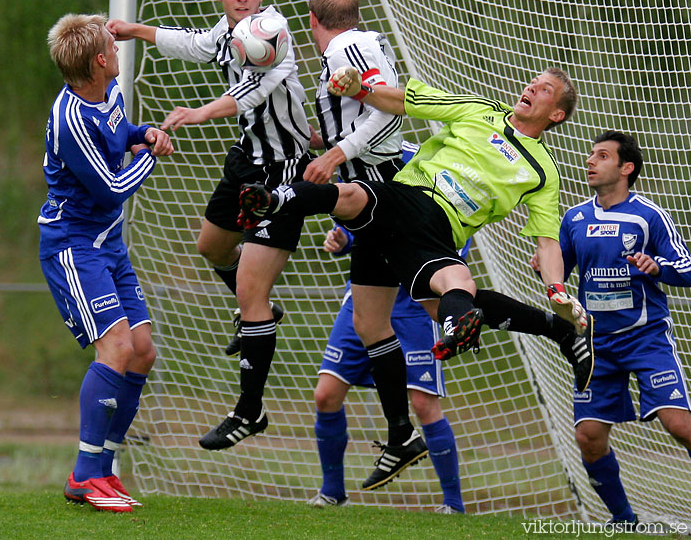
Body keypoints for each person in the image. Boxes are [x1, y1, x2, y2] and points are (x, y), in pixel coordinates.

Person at [237, 67, 595, 489]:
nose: (531, 89)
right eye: (532, 83)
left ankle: (543, 331)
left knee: (441, 289)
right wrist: (362, 90)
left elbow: (548, 241)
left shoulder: (543, 173)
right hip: (409, 195)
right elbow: (408, 100)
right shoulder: (480, 111)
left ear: (555, 114)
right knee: (371, 292)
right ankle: (275, 199)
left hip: (439, 225)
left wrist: (556, 289)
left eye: (545, 90)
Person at [107, 0, 313, 449]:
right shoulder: (226, 30)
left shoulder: (272, 35)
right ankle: (256, 306)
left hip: (284, 169)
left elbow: (249, 93)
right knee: (212, 247)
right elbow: (194, 43)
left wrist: (197, 112)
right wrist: (133, 29)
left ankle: (250, 410)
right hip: (247, 160)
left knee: (250, 292)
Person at [224, 0, 404, 357]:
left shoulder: (347, 48)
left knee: (432, 291)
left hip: (377, 178)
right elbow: (366, 111)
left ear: (311, 20)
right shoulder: (354, 45)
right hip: (370, 178)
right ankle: (400, 422)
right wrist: (323, 141)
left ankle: (271, 200)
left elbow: (389, 111)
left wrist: (334, 155)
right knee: (372, 324)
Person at [39, 13, 174, 512]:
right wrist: (154, 154)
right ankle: (83, 473)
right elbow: (112, 188)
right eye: (111, 46)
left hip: (107, 243)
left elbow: (120, 137)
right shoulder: (70, 119)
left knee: (141, 351)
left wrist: (146, 133)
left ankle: (103, 470)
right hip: (73, 245)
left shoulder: (108, 90)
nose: (117, 48)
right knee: (115, 346)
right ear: (99, 60)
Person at [553, 131, 691, 528]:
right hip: (595, 344)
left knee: (680, 425)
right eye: (590, 155)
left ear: (626, 168)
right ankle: (624, 521)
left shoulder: (648, 216)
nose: (590, 162)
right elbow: (558, 268)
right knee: (589, 437)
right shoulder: (575, 217)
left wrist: (658, 267)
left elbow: (686, 267)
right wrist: (547, 269)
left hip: (645, 338)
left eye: (602, 156)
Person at [308, 224, 466, 511]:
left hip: (415, 308)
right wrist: (344, 239)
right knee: (326, 394)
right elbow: (361, 225)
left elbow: (448, 251)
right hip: (363, 301)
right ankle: (332, 492)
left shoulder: (443, 191)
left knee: (422, 402)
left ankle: (453, 504)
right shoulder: (376, 180)